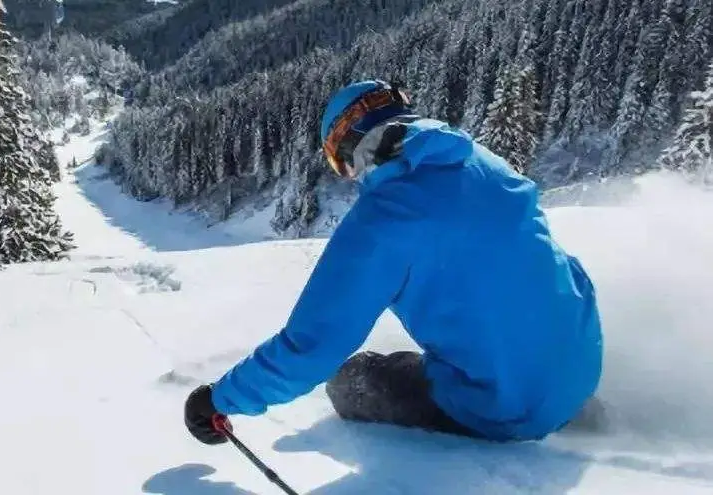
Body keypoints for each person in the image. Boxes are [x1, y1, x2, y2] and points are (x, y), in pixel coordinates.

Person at [183, 79, 603, 444]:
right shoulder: (485, 162)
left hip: (503, 408)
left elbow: (311, 347)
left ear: (349, 147)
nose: (346, 174)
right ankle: (561, 399)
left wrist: (218, 399)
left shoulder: (384, 218)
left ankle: (508, 408)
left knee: (351, 378)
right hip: (583, 368)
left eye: (337, 161)